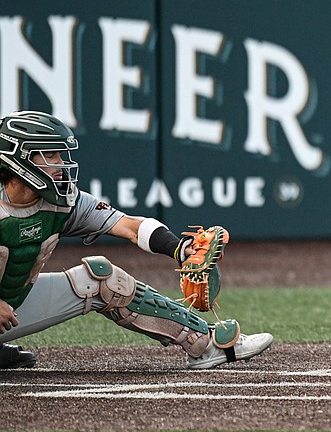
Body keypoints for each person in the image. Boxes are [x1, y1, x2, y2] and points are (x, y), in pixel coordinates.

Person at [0, 110, 274, 371]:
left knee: (102, 281)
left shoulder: (62, 203)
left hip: (11, 308)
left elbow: (130, 226)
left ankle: (206, 343)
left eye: (60, 154)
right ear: (17, 159)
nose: (60, 164)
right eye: (50, 155)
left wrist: (179, 249)